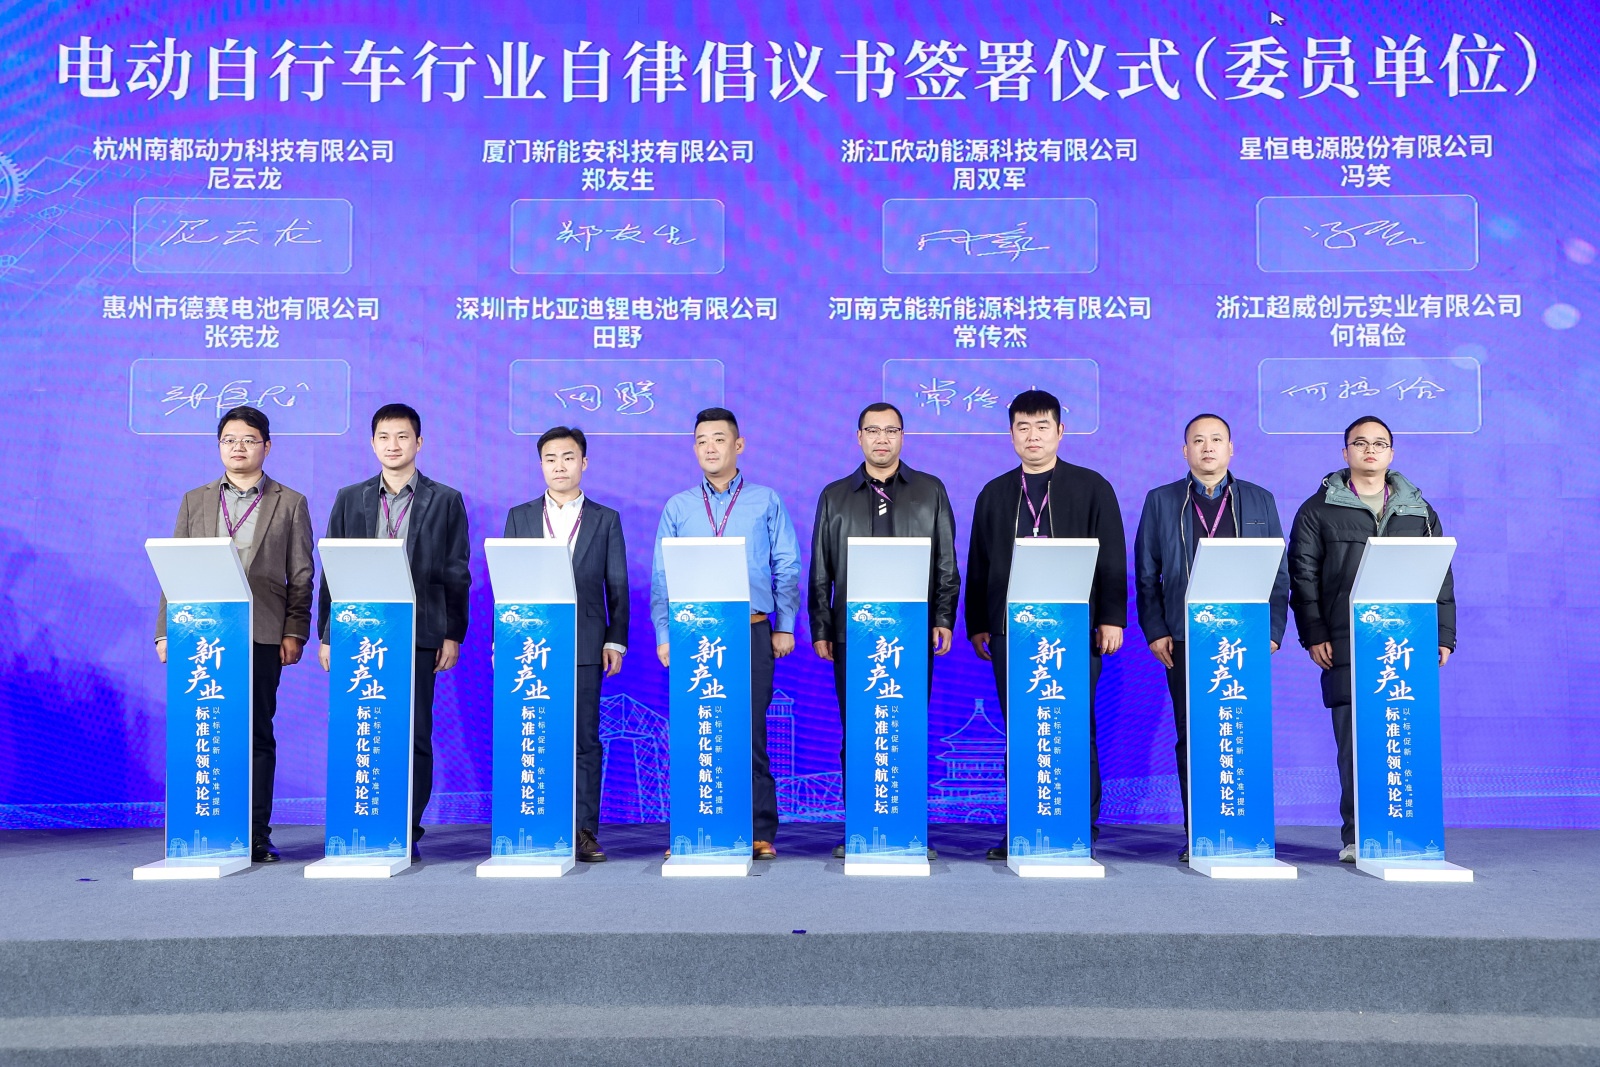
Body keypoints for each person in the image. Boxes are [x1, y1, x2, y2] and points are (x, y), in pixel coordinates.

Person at [965, 389, 1126, 861]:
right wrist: (979, 623)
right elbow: (979, 564)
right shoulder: (995, 493)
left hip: (1076, 631)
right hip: (1011, 634)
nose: (1032, 436)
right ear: (1011, 433)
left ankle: (1079, 826)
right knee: (1022, 730)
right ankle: (1023, 826)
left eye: (1042, 427)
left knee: (1074, 727)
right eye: (1023, 427)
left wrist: (1111, 617)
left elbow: (1112, 558)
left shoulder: (1091, 487)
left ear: (1060, 431)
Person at [1288, 414, 1456, 863]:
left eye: (1379, 443)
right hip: (1345, 641)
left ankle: (1409, 831)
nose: (1370, 450)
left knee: (1403, 739)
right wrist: (1314, 633)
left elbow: (1440, 576)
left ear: (1391, 454)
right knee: (1354, 745)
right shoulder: (1317, 510)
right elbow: (1302, 577)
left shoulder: (1419, 511)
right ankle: (1358, 835)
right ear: (1345, 452)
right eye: (1360, 443)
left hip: (1405, 644)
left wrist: (1443, 634)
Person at [154, 405, 314, 864]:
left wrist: (295, 631)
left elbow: (302, 575)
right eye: (229, 440)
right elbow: (174, 567)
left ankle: (257, 833)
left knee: (256, 733)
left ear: (267, 446)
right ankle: (205, 825)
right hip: (201, 633)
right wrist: (165, 631)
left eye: (248, 439)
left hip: (262, 632)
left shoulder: (290, 501)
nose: (237, 447)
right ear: (219, 446)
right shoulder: (195, 500)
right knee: (205, 729)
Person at [1133, 413, 1290, 862]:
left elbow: (1278, 572)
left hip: (1244, 639)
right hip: (1185, 638)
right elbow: (1146, 574)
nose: (1207, 447)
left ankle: (1245, 830)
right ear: (1185, 451)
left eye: (1216, 439)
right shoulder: (1161, 500)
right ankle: (1201, 832)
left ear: (1231, 448)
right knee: (1195, 735)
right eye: (1198, 441)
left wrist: (1272, 630)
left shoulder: (1259, 499)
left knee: (1241, 730)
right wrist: (1156, 630)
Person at [317, 403, 470, 860]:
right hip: (359, 634)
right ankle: (364, 817)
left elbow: (457, 571)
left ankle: (407, 824)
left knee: (415, 731)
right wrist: (327, 633)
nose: (393, 445)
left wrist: (453, 633)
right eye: (384, 437)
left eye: (402, 436)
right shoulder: (350, 498)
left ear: (418, 442)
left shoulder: (445, 499)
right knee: (363, 727)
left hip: (420, 631)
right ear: (372, 443)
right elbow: (331, 568)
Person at [809, 402, 960, 859]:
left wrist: (943, 618)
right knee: (858, 731)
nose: (881, 439)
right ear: (859, 437)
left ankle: (909, 829)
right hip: (851, 636)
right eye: (872, 431)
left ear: (902, 436)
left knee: (906, 729)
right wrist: (821, 627)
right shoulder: (835, 495)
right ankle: (860, 827)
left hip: (911, 634)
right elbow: (821, 570)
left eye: (890, 430)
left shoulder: (930, 490)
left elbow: (946, 562)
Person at [651, 407, 800, 860]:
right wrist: (664, 633)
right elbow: (662, 576)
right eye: (701, 440)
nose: (710, 447)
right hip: (693, 636)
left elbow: (786, 564)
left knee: (750, 733)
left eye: (719, 438)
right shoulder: (678, 507)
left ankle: (758, 830)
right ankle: (693, 827)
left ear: (739, 445)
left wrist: (785, 625)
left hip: (752, 630)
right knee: (696, 731)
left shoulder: (766, 500)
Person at [504, 426, 629, 863]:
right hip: (530, 646)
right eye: (551, 458)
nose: (560, 466)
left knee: (584, 740)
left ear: (584, 463)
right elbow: (508, 584)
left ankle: (583, 830)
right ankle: (536, 823)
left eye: (569, 457)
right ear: (541, 465)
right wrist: (504, 641)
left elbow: (618, 585)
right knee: (534, 733)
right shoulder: (519, 516)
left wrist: (616, 639)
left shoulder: (605, 518)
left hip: (585, 642)